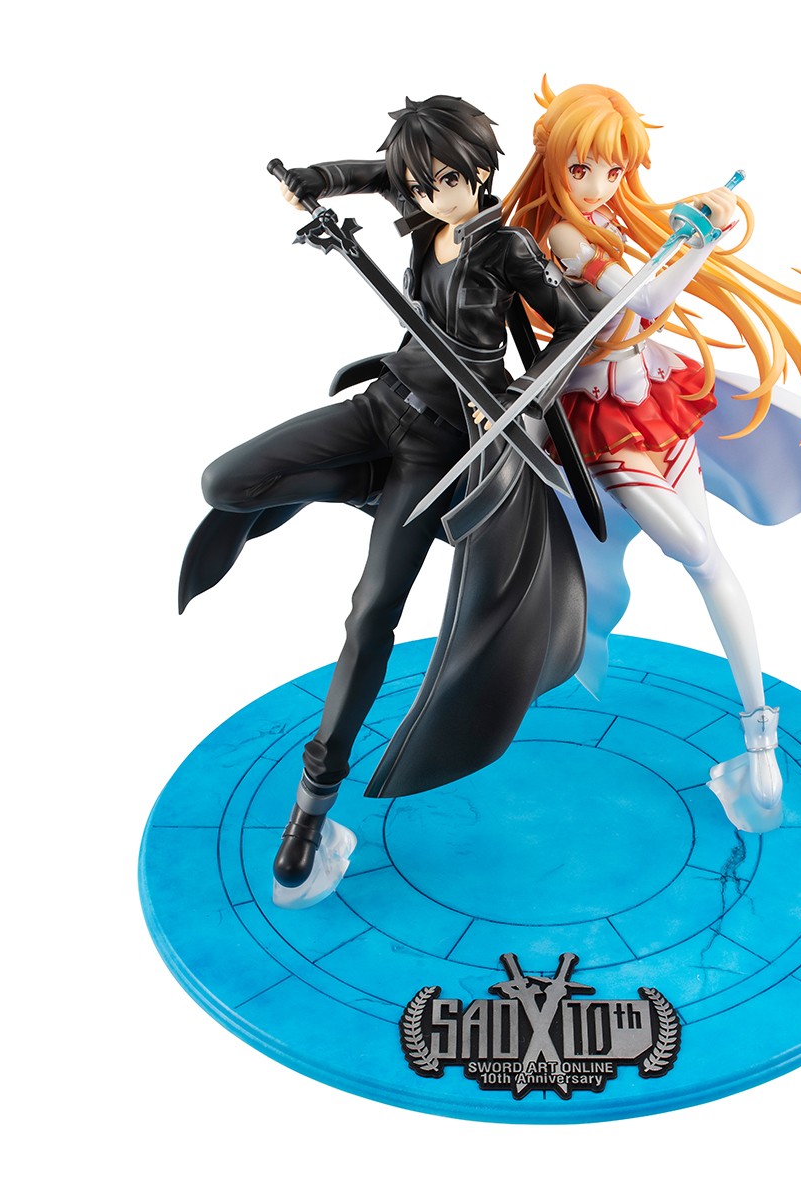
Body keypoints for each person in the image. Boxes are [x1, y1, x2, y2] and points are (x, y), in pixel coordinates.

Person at [180, 95, 594, 898]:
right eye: (422, 184)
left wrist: (518, 396)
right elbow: (381, 175)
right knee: (225, 482)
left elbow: (577, 327)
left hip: (437, 446)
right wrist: (316, 179)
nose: (435, 196)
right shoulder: (422, 220)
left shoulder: (506, 245)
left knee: (369, 616)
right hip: (379, 407)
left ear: (482, 170)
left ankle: (312, 806)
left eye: (450, 180)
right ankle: (360, 485)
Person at [504, 81, 801, 833]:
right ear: (553, 162)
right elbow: (643, 305)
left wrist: (697, 239)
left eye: (615, 171)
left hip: (653, 401)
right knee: (697, 552)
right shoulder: (560, 236)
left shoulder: (601, 223)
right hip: (600, 424)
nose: (599, 186)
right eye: (582, 169)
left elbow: (647, 306)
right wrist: (699, 241)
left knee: (711, 563)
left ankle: (760, 737)